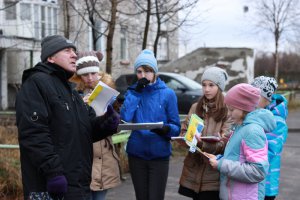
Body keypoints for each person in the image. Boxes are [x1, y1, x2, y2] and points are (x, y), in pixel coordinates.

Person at [15, 35, 120, 200]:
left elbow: (86, 129)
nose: (74, 55)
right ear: (50, 57)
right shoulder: (36, 84)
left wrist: (107, 122)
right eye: (67, 50)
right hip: (49, 186)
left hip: (78, 184)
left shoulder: (70, 89)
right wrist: (53, 173)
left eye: (74, 50)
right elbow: (34, 134)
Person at [120, 49, 181, 200]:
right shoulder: (133, 92)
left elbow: (176, 128)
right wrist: (136, 92)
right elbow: (125, 117)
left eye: (147, 71)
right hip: (137, 153)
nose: (143, 75)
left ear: (154, 72)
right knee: (141, 197)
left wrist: (166, 129)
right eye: (139, 71)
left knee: (155, 197)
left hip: (159, 154)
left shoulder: (168, 94)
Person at [206, 83, 276, 200]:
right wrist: (219, 159)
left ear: (244, 108)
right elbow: (238, 158)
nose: (228, 114)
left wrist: (221, 165)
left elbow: (258, 171)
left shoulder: (252, 131)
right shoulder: (240, 127)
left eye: (231, 109)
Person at [71, 50, 121, 200]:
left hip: (104, 158)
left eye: (93, 73)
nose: (90, 78)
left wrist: (110, 113)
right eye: (85, 74)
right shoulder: (73, 94)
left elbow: (116, 125)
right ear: (79, 76)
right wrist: (81, 105)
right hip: (84, 156)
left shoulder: (108, 91)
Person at [177, 67, 231, 200]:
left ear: (219, 87)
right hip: (193, 170)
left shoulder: (227, 110)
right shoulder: (196, 107)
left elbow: (225, 143)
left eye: (211, 85)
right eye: (204, 85)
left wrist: (203, 143)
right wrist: (184, 138)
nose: (206, 89)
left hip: (213, 174)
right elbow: (184, 131)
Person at [251, 76, 288, 200]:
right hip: (249, 178)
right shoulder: (254, 114)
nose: (251, 100)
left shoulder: (278, 122)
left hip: (266, 184)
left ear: (267, 98)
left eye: (256, 96)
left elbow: (269, 152)